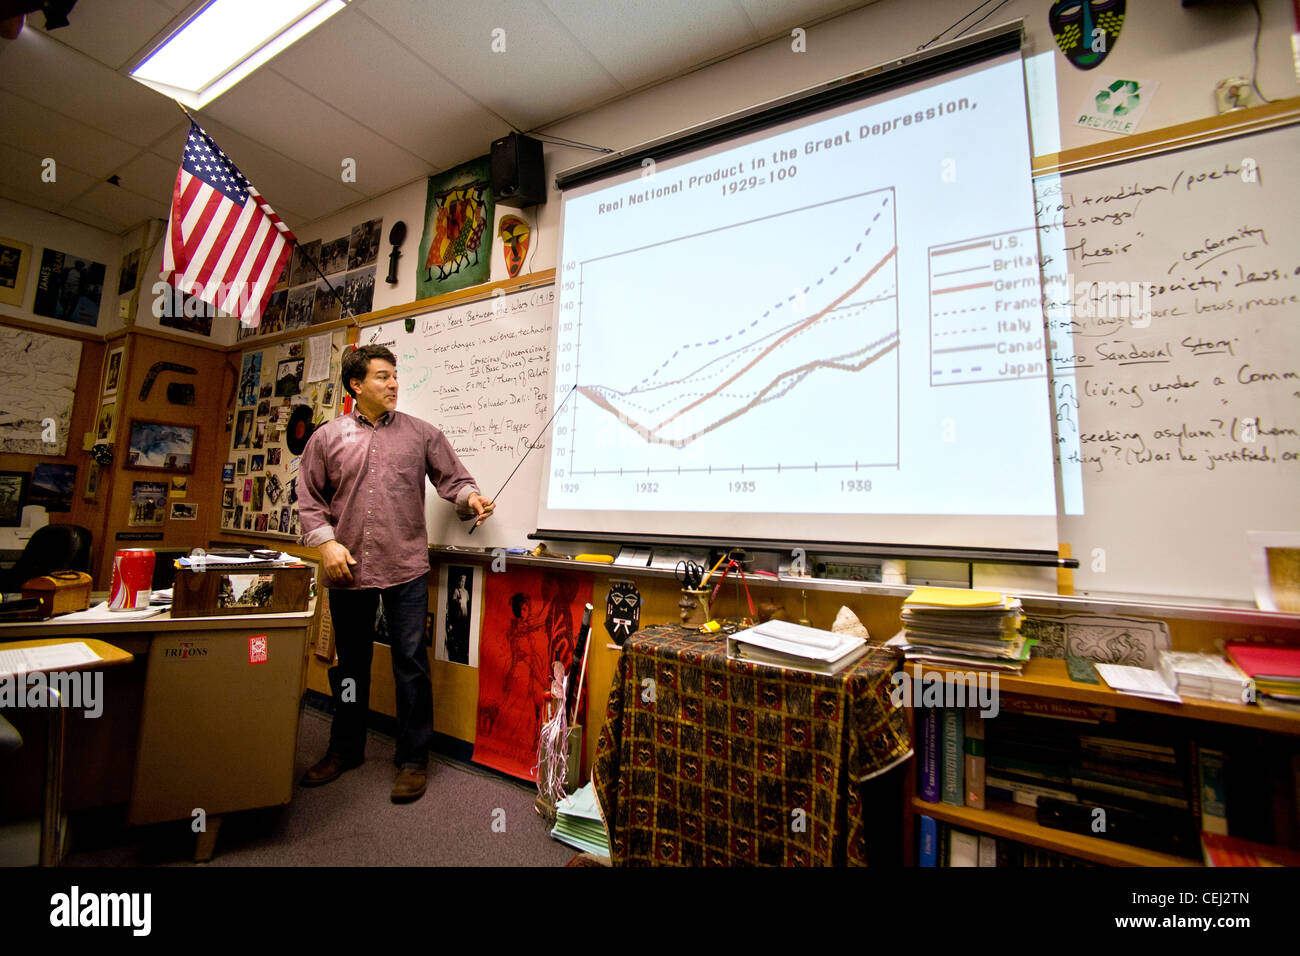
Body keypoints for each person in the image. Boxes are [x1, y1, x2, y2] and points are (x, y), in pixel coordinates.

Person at [297, 344, 494, 803]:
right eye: (382, 377)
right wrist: (325, 544)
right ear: (355, 385)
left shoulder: (421, 434)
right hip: (346, 568)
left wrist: (471, 499)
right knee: (351, 666)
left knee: (410, 665)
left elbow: (455, 481)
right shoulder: (326, 438)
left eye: (394, 376)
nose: (393, 384)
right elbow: (309, 501)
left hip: (405, 566)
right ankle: (345, 748)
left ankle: (412, 759)